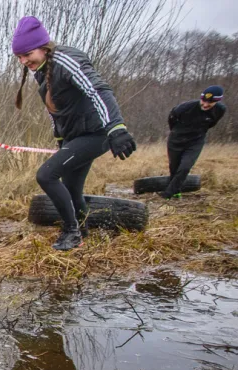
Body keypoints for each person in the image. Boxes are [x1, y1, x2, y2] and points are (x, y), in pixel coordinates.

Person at [12, 16, 136, 251]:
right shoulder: (43, 71)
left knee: (46, 175)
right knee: (71, 188)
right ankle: (82, 230)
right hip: (75, 137)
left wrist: (116, 128)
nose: (23, 61)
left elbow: (97, 90)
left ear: (42, 46)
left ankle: (71, 232)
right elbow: (56, 113)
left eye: (27, 54)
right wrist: (60, 140)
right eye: (19, 57)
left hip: (96, 133)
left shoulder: (65, 59)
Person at [162, 86, 227, 199]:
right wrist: (177, 132)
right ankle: (176, 191)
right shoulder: (185, 107)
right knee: (174, 167)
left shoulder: (220, 109)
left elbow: (212, 123)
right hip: (176, 140)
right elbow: (172, 118)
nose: (205, 105)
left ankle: (167, 194)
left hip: (195, 141)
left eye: (210, 102)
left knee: (185, 167)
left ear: (217, 101)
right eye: (204, 101)